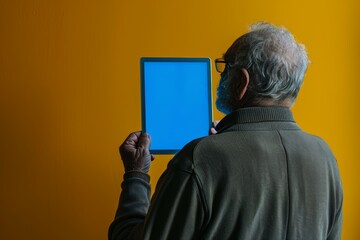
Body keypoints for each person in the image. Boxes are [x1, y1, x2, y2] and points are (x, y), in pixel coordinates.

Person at [108, 22, 343, 240]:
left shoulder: (198, 158)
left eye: (225, 67)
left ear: (242, 82)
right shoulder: (326, 158)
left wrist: (135, 175)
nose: (220, 75)